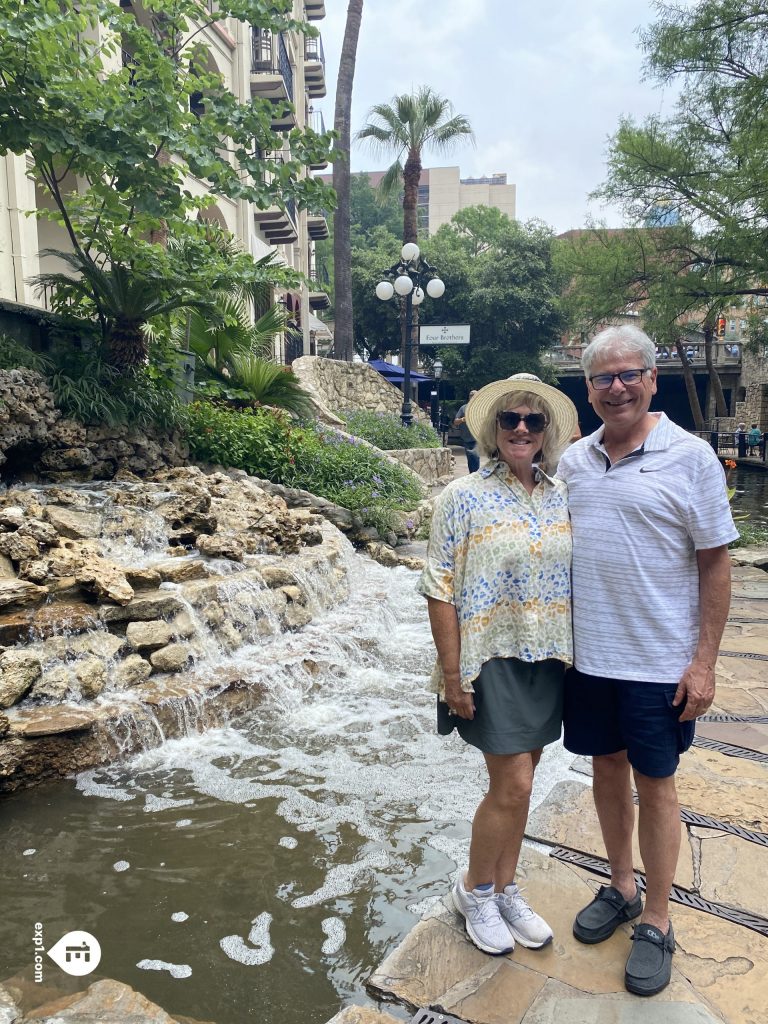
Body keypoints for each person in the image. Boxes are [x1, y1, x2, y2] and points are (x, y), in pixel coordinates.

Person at [557, 325, 737, 997]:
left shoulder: (690, 457)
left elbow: (716, 565)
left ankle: (658, 920)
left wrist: (704, 663)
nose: (617, 387)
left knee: (657, 784)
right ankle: (622, 885)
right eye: (603, 378)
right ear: (590, 388)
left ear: (653, 379)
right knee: (605, 771)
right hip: (590, 660)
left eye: (630, 373)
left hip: (659, 663)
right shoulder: (575, 461)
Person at [418, 373, 578, 956]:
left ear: (546, 432)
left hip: (548, 657)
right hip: (489, 659)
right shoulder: (461, 497)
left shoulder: (561, 495)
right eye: (509, 419)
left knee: (525, 781)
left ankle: (506, 888)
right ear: (492, 429)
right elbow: (438, 587)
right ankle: (476, 891)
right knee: (510, 784)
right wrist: (453, 671)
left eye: (533, 421)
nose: (520, 429)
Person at [453, 391, 480, 472]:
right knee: (470, 458)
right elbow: (455, 421)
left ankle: (476, 475)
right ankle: (472, 475)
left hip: (476, 437)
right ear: (469, 397)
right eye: (471, 396)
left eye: (475, 396)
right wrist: (462, 419)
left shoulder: (479, 408)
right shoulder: (463, 408)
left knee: (475, 456)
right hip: (466, 438)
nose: (473, 397)